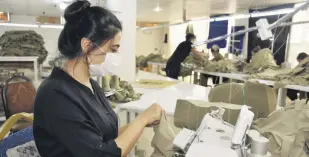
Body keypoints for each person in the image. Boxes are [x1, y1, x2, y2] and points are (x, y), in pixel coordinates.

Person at [33, 1, 163, 157]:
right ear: (87, 45)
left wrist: (140, 124)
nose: (116, 56)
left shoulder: (91, 85)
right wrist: (141, 120)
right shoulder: (55, 95)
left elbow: (105, 139)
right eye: (113, 49)